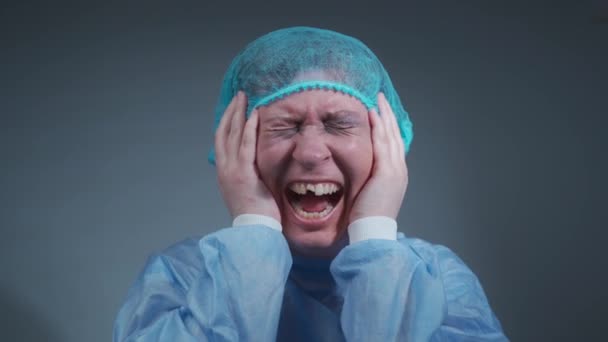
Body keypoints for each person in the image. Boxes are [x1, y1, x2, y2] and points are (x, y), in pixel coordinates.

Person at [113, 27, 508, 341]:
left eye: (340, 124)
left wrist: (374, 241)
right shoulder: (181, 276)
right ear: (237, 145)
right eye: (283, 126)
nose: (310, 152)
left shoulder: (440, 281)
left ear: (386, 143)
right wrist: (253, 232)